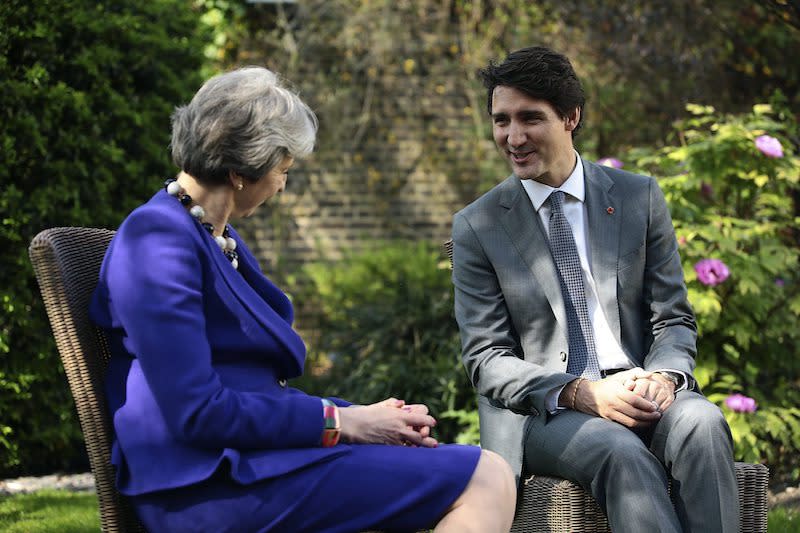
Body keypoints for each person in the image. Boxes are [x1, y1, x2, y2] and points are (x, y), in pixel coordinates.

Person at [90, 66, 516, 533]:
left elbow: (251, 385)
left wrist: (362, 415)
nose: (281, 186)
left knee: (482, 467)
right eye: (282, 170)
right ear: (239, 171)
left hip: (251, 462)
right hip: (206, 486)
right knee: (484, 478)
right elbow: (198, 411)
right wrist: (341, 422)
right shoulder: (157, 241)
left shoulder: (213, 236)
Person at [451, 46, 739, 533]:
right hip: (547, 413)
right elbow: (487, 360)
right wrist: (582, 393)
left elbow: (672, 318)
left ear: (571, 117)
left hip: (644, 387)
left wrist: (664, 377)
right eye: (501, 120)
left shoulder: (637, 196)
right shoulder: (477, 225)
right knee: (619, 450)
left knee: (704, 423)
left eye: (530, 118)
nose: (512, 137)